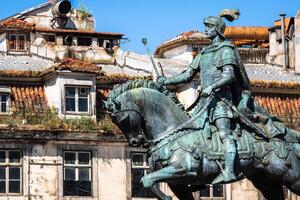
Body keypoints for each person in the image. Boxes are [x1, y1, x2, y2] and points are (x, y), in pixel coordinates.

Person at [157, 12, 249, 184]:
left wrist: (212, 87)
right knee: (194, 137)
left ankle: (229, 171)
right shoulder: (204, 53)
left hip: (222, 101)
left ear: (218, 30)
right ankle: (201, 177)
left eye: (209, 26)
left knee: (224, 133)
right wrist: (166, 81)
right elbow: (187, 75)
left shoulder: (226, 50)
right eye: (206, 26)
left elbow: (229, 76)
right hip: (204, 104)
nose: (206, 30)